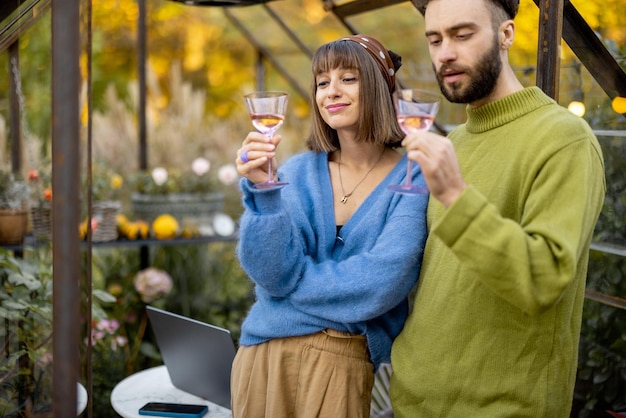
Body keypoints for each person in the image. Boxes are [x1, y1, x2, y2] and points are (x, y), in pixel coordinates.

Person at [389, 0, 606, 416]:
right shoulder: (453, 144)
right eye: (434, 39)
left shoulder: (564, 140)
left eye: (462, 34)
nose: (445, 53)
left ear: (506, 34)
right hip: (411, 402)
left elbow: (542, 280)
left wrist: (455, 195)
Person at [231, 35, 428, 417]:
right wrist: (264, 190)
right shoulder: (296, 172)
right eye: (322, 82)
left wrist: (291, 290)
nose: (331, 92)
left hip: (341, 361)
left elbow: (383, 281)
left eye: (348, 79)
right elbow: (271, 273)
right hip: (262, 357)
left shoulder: (414, 176)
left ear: (377, 87)